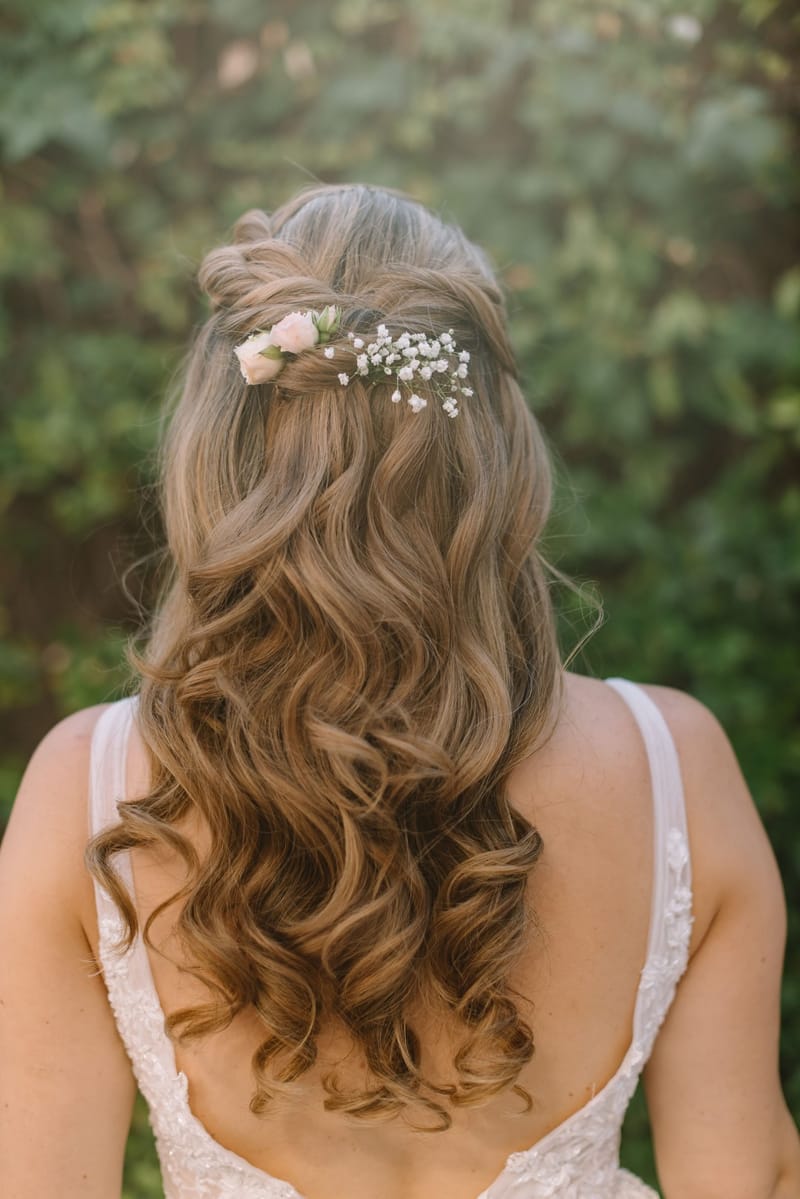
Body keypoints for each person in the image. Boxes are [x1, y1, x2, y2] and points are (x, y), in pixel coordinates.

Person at [0, 183, 797, 1199]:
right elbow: (748, 1177)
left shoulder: (86, 792)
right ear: (499, 459)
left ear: (215, 457)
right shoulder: (672, 767)